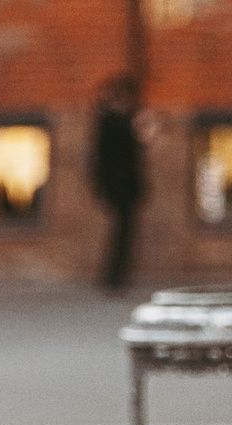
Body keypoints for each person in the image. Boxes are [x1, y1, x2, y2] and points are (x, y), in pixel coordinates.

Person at [89, 75, 147, 292]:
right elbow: (107, 157)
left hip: (124, 185)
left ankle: (116, 276)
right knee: (121, 231)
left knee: (124, 231)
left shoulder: (120, 120)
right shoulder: (110, 122)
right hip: (118, 185)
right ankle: (114, 277)